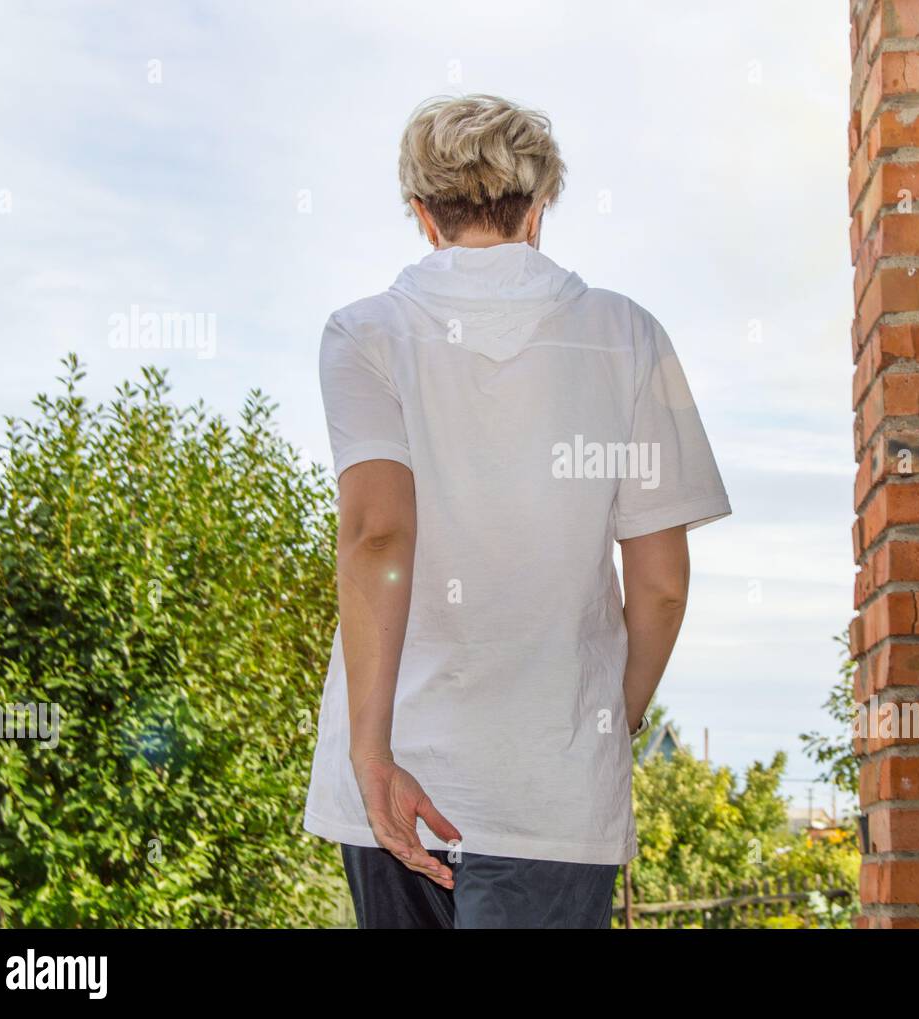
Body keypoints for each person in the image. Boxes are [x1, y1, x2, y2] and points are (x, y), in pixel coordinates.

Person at [303, 94, 731, 928]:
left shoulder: (364, 334)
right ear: (539, 211)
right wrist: (610, 719)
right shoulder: (628, 335)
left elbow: (377, 534)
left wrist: (371, 752)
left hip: (393, 779)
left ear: (423, 215)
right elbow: (662, 585)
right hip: (554, 790)